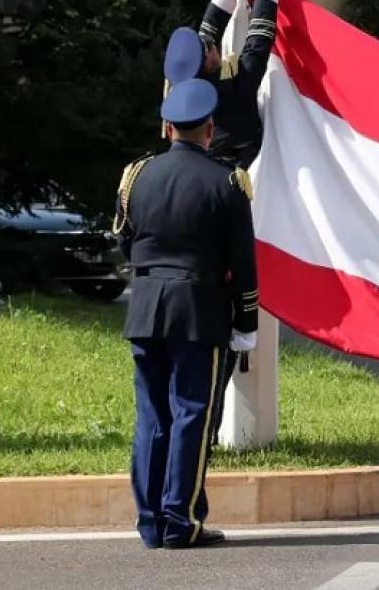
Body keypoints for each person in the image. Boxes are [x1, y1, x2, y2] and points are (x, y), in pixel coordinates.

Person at [115, 28, 259, 550]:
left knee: (152, 417)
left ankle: (151, 521)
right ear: (210, 127)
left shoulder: (136, 175)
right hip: (199, 310)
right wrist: (246, 323)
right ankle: (181, 520)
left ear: (169, 126)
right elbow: (243, 264)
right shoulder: (227, 182)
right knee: (192, 413)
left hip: (145, 308)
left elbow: (126, 242)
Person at [196, 0, 281, 170]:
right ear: (211, 64)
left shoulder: (185, 79)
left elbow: (209, 29)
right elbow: (259, 38)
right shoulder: (234, 92)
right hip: (240, 170)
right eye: (211, 48)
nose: (213, 43)